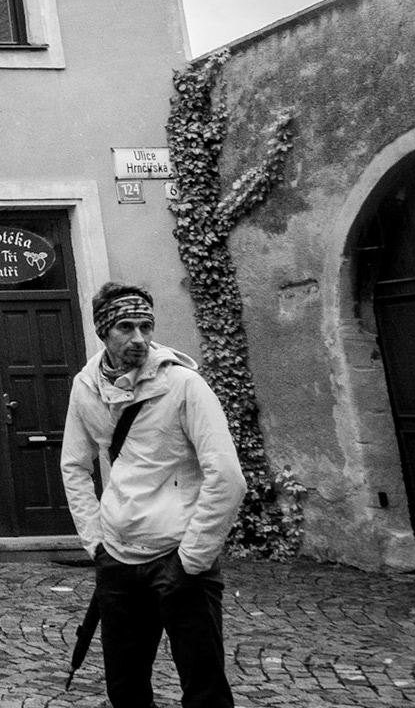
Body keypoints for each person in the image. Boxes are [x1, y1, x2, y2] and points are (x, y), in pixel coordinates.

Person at [60, 282, 247, 708]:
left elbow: (227, 477)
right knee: (125, 690)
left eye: (146, 327)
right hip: (117, 560)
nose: (139, 338)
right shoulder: (86, 387)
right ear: (103, 332)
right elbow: (74, 465)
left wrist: (192, 558)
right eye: (126, 327)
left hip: (178, 557)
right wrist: (96, 542)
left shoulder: (184, 385)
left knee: (204, 691)